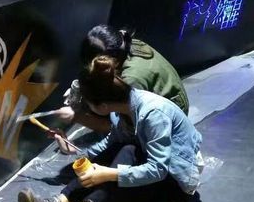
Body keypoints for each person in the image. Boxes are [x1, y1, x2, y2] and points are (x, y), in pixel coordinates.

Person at [18, 55, 203, 202]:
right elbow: (109, 144)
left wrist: (109, 174)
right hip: (150, 163)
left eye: (88, 104)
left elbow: (159, 169)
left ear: (103, 106)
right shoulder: (120, 111)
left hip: (174, 180)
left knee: (125, 153)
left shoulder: (153, 114)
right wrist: (73, 149)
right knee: (116, 152)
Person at [50, 25, 189, 135]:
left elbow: (115, 128)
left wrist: (77, 116)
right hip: (164, 101)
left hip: (170, 122)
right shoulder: (122, 43)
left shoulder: (131, 80)